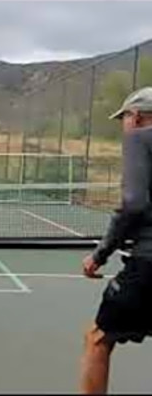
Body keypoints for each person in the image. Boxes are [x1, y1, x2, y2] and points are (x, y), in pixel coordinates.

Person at [80, 87, 152, 394]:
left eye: (123, 118)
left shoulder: (139, 138)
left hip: (149, 263)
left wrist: (100, 253)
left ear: (136, 117)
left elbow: (133, 203)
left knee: (98, 337)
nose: (123, 125)